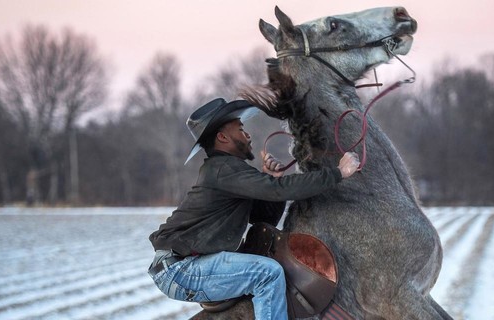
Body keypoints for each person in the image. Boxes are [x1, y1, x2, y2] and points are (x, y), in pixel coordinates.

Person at [148, 98, 360, 320]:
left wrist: (273, 178)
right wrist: (338, 173)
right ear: (222, 137)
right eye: (240, 129)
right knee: (267, 274)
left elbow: (264, 216)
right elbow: (279, 190)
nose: (247, 134)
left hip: (181, 267)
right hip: (182, 269)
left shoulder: (227, 171)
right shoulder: (223, 169)